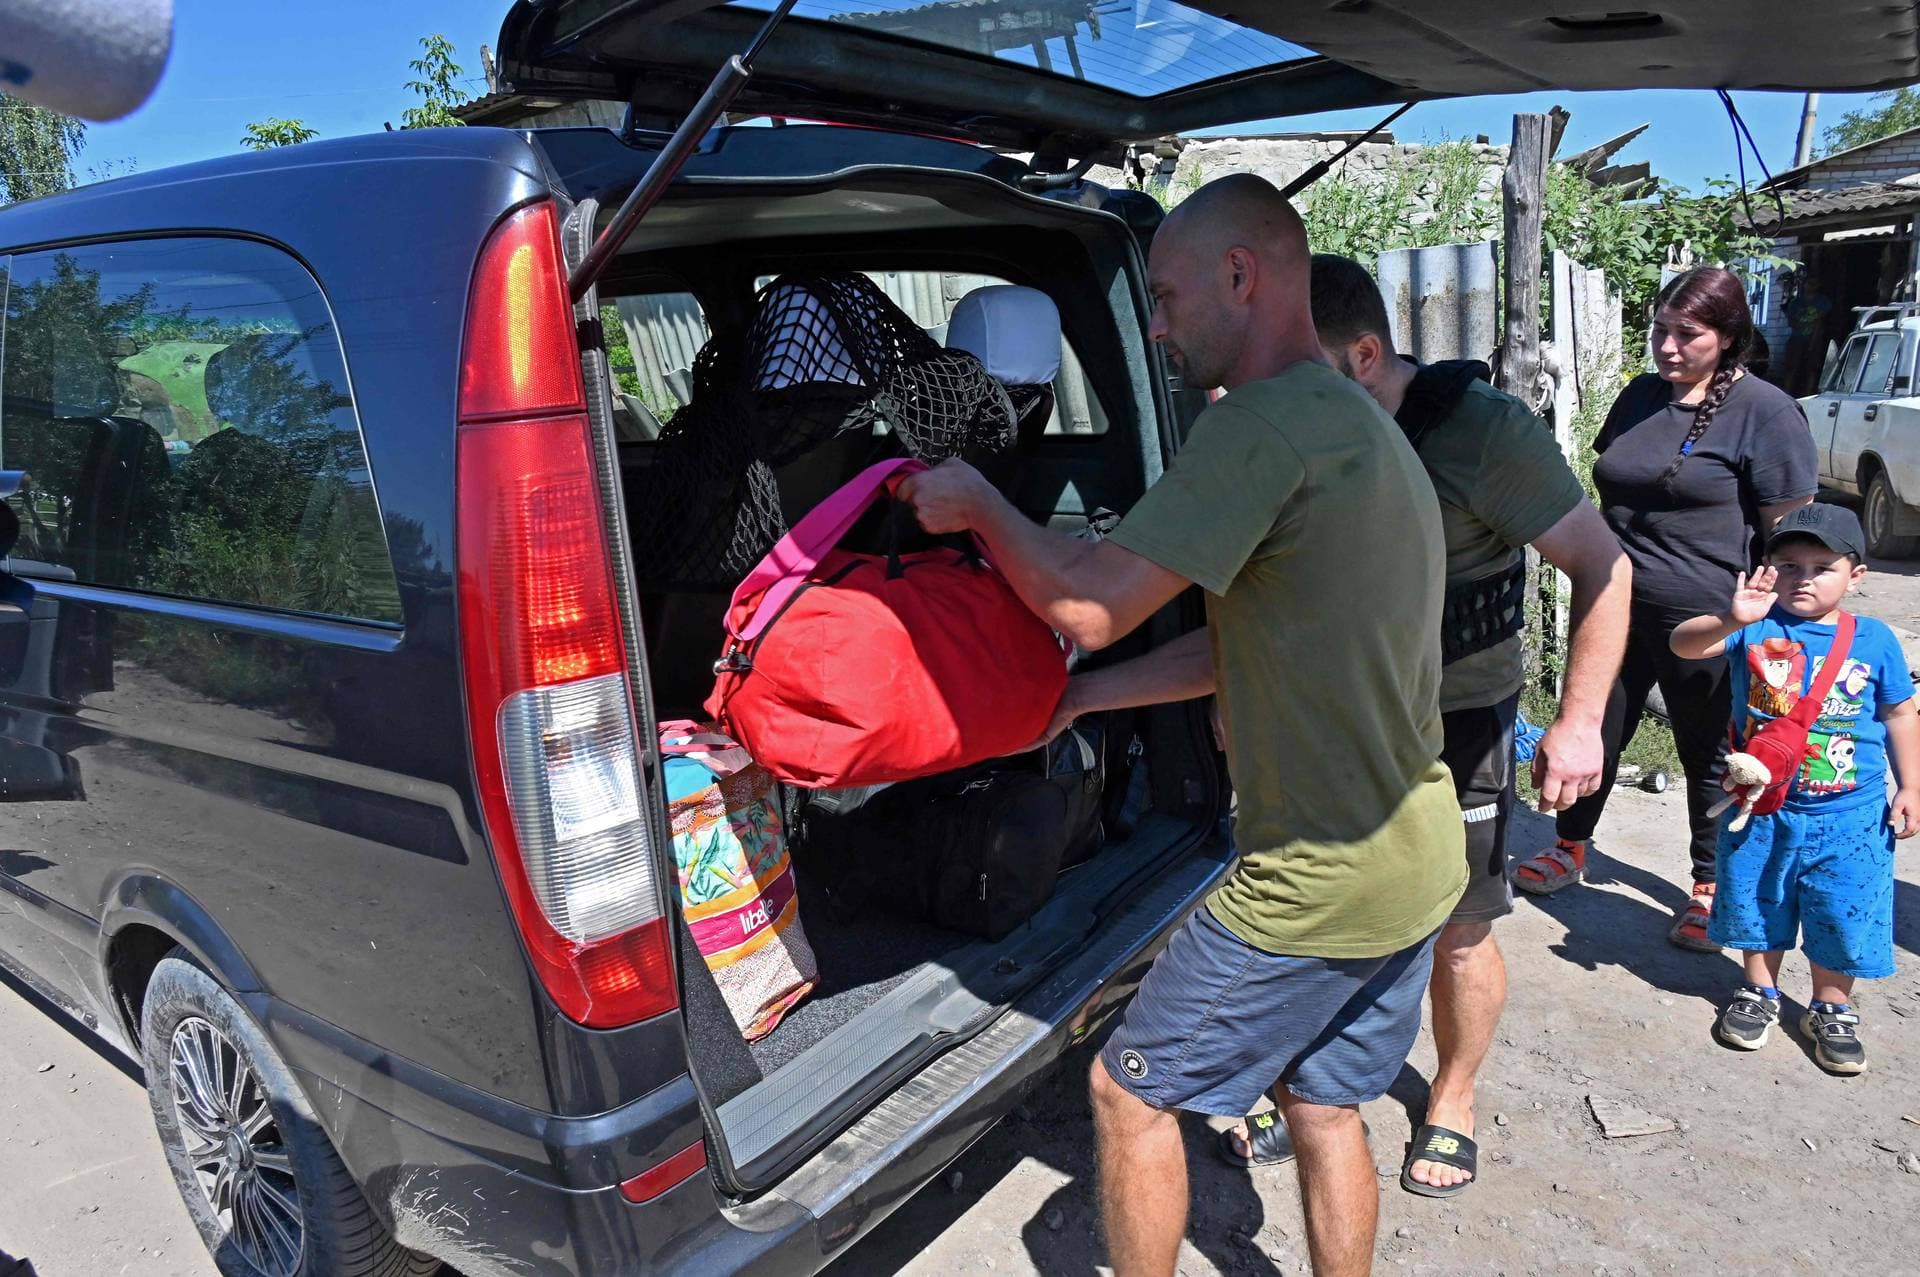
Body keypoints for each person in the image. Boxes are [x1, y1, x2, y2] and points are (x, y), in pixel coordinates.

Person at [898, 174, 1465, 1277]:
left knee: (1126, 1091)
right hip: (1420, 852)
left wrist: (977, 505)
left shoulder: (1256, 425)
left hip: (1319, 877)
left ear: (1239, 276)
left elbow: (1086, 602)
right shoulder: (1357, 418)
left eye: (1162, 295)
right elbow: (1242, 642)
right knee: (1321, 1100)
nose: (1153, 324)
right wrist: (1081, 697)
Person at [1216, 255, 1633, 1198]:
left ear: (1364, 355)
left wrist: (1579, 722)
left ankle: (1452, 1093)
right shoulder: (1288, 431)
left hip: (1460, 721)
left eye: (1296, 369)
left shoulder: (1481, 436)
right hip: (1332, 719)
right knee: (1317, 909)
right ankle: (1308, 1094)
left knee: (1457, 927)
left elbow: (1604, 566)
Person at [1512, 266, 1817, 953]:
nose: (1667, 346)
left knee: (1711, 752)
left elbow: (1790, 535)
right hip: (1613, 608)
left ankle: (1710, 885)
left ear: (1730, 337)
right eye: (1660, 330)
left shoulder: (1766, 412)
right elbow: (1612, 481)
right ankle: (1571, 845)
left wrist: (1775, 628)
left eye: (1688, 334)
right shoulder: (1642, 396)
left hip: (1707, 623)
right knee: (1596, 724)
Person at [1669, 504, 1915, 1074]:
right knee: (1760, 900)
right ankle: (1758, 989)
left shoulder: (1874, 640)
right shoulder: (1755, 625)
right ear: (1769, 568)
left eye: (1822, 566)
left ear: (1856, 576)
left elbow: (1901, 713)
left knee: (1842, 911)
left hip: (1852, 815)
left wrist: (1912, 787)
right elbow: (1684, 645)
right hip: (1760, 808)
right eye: (1789, 564)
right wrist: (1731, 619)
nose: (1803, 578)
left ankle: (1832, 1005)